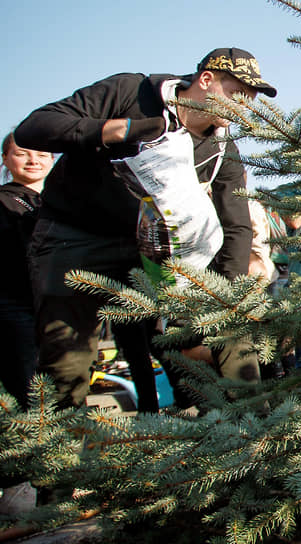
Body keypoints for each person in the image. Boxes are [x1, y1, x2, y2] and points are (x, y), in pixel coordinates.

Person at [14, 47, 277, 411]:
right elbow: (35, 127)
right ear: (205, 80)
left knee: (231, 333)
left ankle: (251, 436)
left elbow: (236, 226)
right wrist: (121, 130)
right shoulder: (131, 93)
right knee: (66, 362)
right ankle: (55, 456)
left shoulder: (222, 150)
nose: (244, 106)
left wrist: (225, 298)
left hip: (155, 256)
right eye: (236, 94)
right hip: (76, 239)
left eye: (250, 99)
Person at [0, 134, 54, 409]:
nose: (34, 160)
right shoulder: (3, 202)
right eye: (22, 153)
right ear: (5, 159)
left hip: (61, 310)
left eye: (43, 154)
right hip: (17, 309)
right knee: (31, 399)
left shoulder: (63, 202)